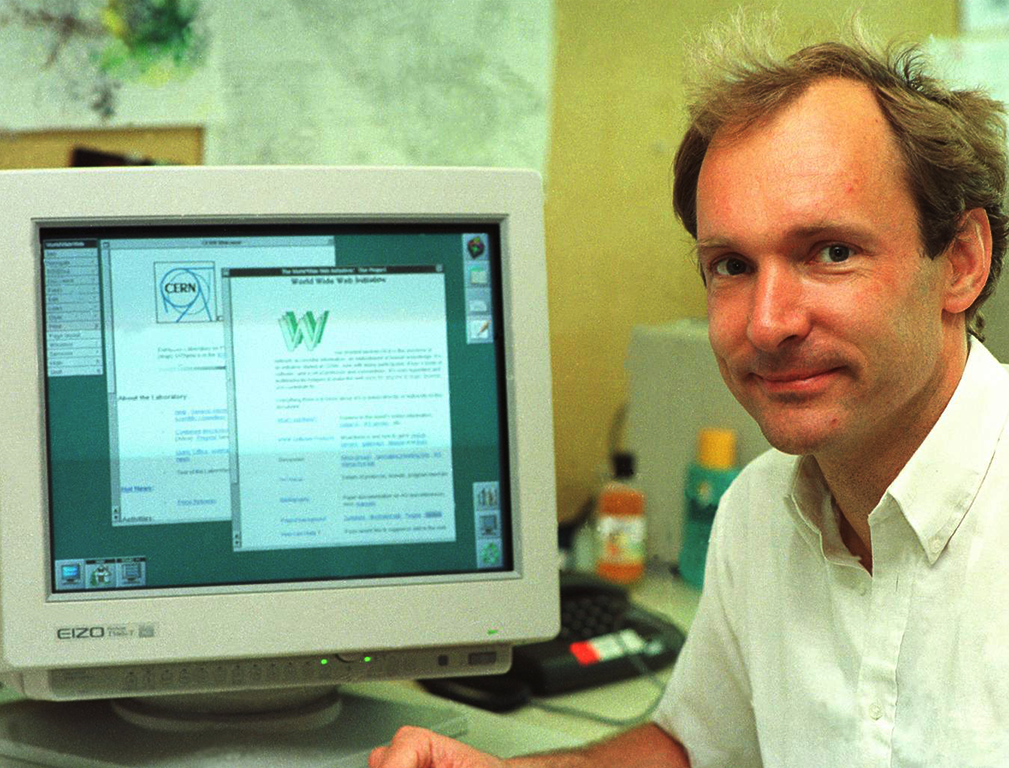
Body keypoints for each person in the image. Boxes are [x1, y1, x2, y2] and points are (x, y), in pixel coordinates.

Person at [369, 24, 1009, 768]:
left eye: (831, 252)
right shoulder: (759, 511)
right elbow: (693, 748)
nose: (767, 324)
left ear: (961, 262)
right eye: (732, 264)